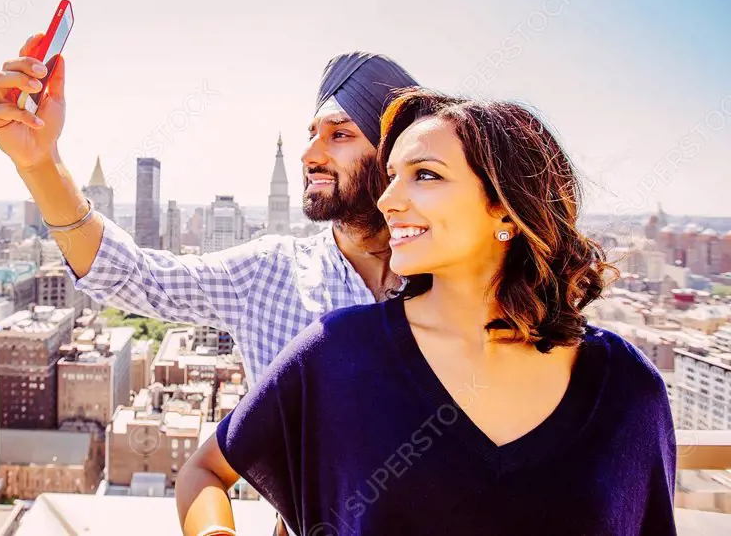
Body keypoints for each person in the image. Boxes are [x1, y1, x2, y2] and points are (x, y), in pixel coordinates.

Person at [176, 88, 677, 536]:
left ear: (506, 207)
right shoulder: (338, 353)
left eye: (426, 175)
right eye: (391, 176)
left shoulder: (629, 391)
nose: (388, 199)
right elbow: (205, 470)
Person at [0, 33, 419, 387]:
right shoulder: (270, 273)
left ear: (394, 153)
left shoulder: (461, 274)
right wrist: (39, 162)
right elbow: (129, 276)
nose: (310, 154)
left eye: (340, 135)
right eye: (312, 134)